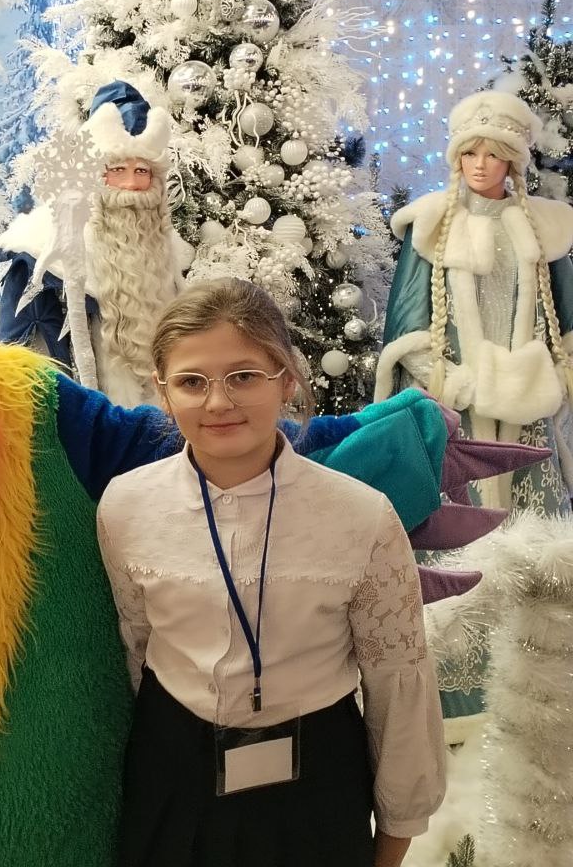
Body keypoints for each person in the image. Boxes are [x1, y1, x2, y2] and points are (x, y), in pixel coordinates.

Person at [99, 278, 445, 867]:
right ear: (163, 391)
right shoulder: (125, 506)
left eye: (243, 376)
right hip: (171, 767)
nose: (218, 402)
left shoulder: (360, 516)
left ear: (286, 379)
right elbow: (137, 643)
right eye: (191, 382)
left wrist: (395, 834)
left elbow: (398, 679)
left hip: (314, 778)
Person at [376, 90, 573, 515]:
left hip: (526, 396)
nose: (479, 165)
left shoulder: (545, 225)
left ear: (512, 161)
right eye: (469, 153)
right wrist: (451, 381)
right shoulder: (433, 222)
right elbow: (408, 318)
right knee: (460, 501)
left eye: (492, 154)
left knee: (532, 519)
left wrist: (555, 378)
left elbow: (565, 313)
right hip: (456, 393)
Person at [0, 79, 193, 405]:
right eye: (118, 169)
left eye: (142, 171)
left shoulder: (161, 250)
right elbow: (21, 373)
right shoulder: (39, 255)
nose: (131, 185)